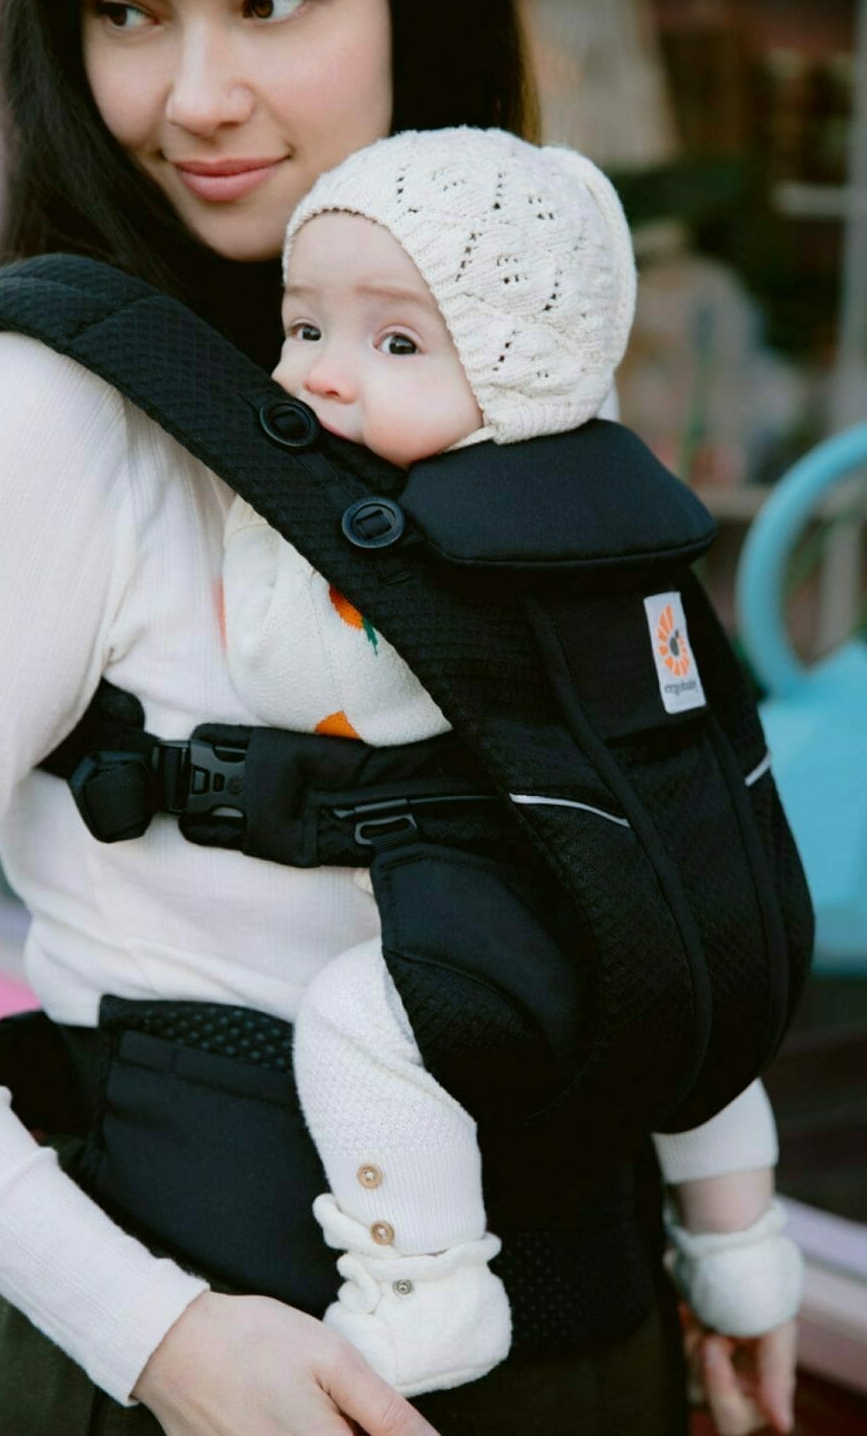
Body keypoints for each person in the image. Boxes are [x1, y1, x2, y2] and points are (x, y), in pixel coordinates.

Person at [0, 0, 794, 1434]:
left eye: (269, 1)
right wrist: (159, 1339)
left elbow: (654, 857)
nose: (195, 96)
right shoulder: (44, 409)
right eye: (128, 11)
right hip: (224, 1373)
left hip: (602, 1340)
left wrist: (726, 1242)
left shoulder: (504, 408)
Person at [222, 125, 804, 1415]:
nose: (321, 376)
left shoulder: (439, 537)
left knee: (362, 1019)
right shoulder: (622, 511)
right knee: (701, 1044)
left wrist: (263, 527)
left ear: (515, 369)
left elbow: (308, 688)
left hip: (536, 944)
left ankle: (426, 1288)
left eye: (396, 343)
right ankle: (743, 1256)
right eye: (304, 327)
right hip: (684, 915)